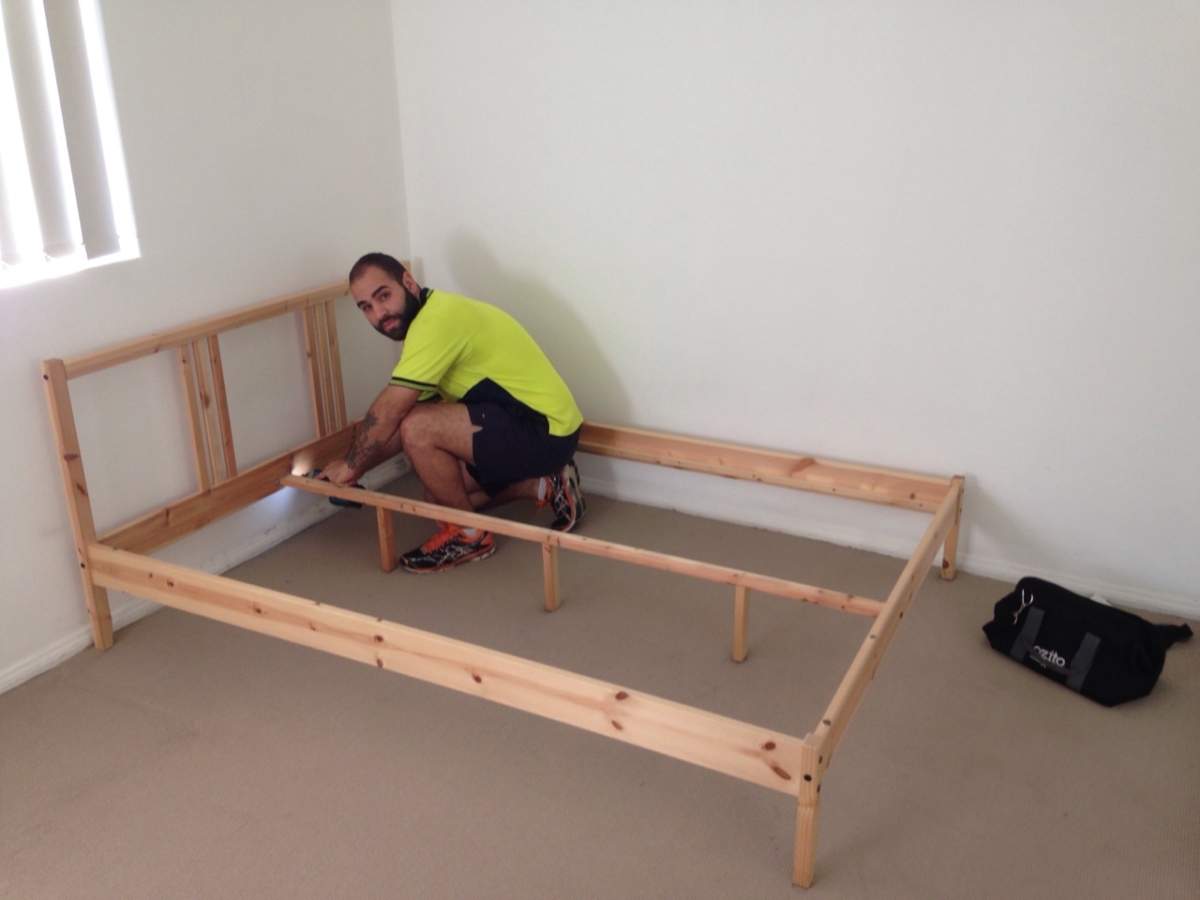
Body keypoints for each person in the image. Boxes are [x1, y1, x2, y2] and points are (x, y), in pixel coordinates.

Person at [318, 252, 585, 573]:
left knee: (418, 427)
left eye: (383, 296)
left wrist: (350, 465)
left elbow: (392, 412)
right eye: (366, 307)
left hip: (544, 431)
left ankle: (469, 536)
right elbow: (400, 420)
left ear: (408, 282)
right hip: (536, 425)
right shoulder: (431, 317)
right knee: (441, 496)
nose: (379, 313)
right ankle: (543, 483)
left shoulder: (435, 323)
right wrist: (354, 470)